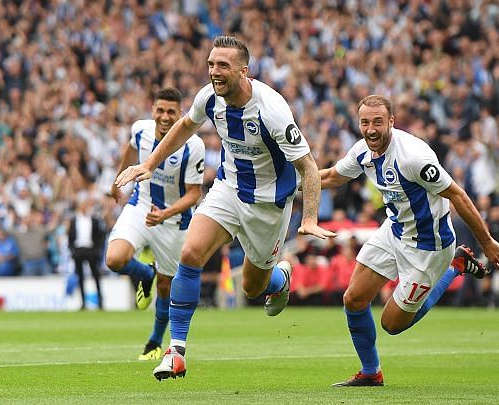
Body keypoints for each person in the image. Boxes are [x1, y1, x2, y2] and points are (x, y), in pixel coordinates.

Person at [115, 36, 335, 380]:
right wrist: (151, 164)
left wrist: (308, 218)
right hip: (228, 189)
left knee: (252, 287)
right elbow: (186, 125)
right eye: (210, 65)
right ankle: (176, 352)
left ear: (243, 71)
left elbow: (308, 166)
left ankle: (280, 277)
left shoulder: (271, 109)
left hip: (268, 205)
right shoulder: (209, 97)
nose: (214, 72)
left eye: (222, 66)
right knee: (191, 253)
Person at [320, 95, 499, 387]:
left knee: (392, 324)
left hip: (428, 246)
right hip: (395, 229)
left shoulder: (413, 157)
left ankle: (455, 265)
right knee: (354, 298)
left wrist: (486, 242)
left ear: (391, 122)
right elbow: (334, 176)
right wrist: (290, 184)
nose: (371, 129)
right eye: (364, 122)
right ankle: (371, 372)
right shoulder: (363, 150)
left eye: (377, 123)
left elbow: (458, 195)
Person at [106, 88, 205, 361]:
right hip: (140, 206)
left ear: (180, 114)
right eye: (160, 110)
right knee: (114, 259)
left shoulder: (193, 145)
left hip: (173, 221)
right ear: (152, 110)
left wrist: (165, 213)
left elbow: (194, 194)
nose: (164, 116)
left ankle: (153, 342)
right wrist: (118, 182)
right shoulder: (141, 130)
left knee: (166, 287)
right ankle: (144, 274)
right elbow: (130, 148)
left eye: (171, 112)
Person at [68, 199, 107, 310]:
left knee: (96, 276)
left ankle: (100, 301)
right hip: (79, 250)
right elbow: (70, 236)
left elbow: (101, 236)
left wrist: (97, 249)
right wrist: (73, 250)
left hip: (91, 250)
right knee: (80, 277)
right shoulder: (74, 220)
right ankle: (83, 302)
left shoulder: (94, 220)